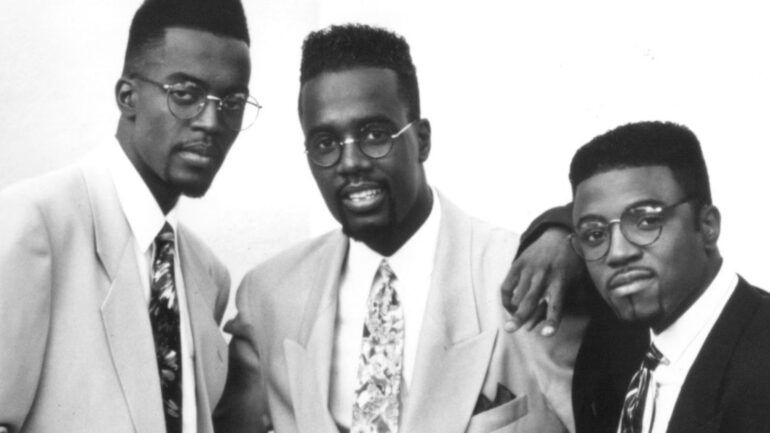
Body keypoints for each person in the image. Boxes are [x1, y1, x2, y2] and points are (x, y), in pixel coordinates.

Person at [214, 24, 585, 433]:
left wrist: (569, 232)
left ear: (422, 140)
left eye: (375, 134)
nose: (350, 162)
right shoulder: (270, 295)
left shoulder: (518, 273)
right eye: (325, 142)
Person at [0, 0, 257, 432]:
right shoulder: (34, 223)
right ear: (128, 97)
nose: (212, 121)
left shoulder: (208, 275)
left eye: (232, 102)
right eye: (186, 95)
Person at [524, 121, 770, 433]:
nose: (617, 253)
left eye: (646, 221)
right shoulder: (612, 350)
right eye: (596, 234)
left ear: (707, 226)